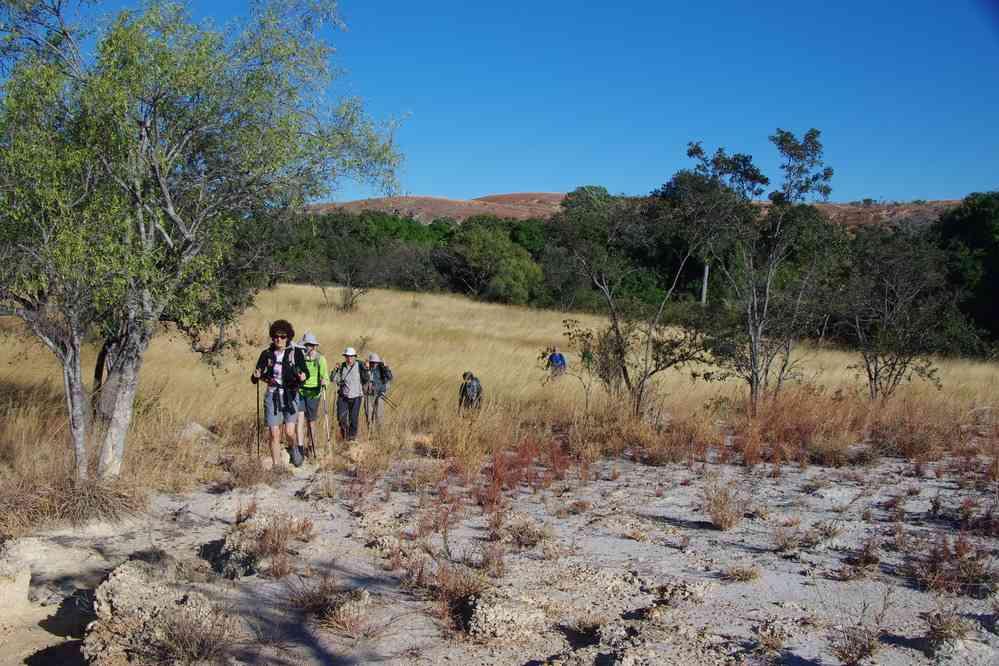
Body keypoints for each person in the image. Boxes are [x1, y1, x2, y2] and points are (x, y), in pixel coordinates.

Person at [251, 319, 307, 468]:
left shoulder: (296, 353)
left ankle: (294, 449)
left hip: (290, 395)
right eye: (276, 336)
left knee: (289, 432)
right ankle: (277, 466)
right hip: (272, 395)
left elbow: (305, 372)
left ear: (288, 337)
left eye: (283, 336)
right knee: (274, 433)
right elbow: (255, 375)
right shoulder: (266, 354)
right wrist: (256, 376)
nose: (279, 339)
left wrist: (303, 376)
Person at [297, 332, 328, 458]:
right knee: (299, 420)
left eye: (309, 345)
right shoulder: (301, 358)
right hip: (300, 392)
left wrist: (324, 381)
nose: (307, 347)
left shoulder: (320, 359)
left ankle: (311, 446)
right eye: (305, 345)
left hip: (314, 394)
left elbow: (325, 376)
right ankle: (300, 448)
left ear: (314, 346)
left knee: (311, 422)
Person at [331, 347, 369, 441]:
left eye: (351, 356)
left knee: (353, 418)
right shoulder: (341, 367)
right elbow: (333, 379)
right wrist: (335, 370)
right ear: (345, 357)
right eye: (347, 356)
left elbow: (366, 379)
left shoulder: (360, 365)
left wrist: (366, 368)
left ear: (355, 357)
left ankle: (352, 439)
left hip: (356, 396)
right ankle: (345, 436)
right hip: (343, 396)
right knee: (341, 418)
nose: (349, 358)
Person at [364, 352, 393, 427]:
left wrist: (385, 366)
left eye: (376, 362)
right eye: (372, 362)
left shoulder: (382, 368)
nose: (374, 364)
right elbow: (363, 379)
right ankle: (370, 432)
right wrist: (366, 369)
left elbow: (390, 377)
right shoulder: (366, 368)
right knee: (368, 415)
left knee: (379, 415)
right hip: (368, 395)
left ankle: (380, 432)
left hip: (380, 394)